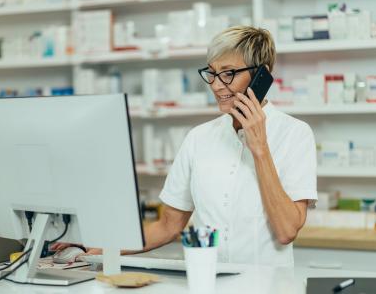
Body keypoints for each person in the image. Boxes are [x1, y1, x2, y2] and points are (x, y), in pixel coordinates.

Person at [53, 26, 318, 266]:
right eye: (212, 74)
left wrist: (259, 149)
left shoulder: (295, 134)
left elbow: (286, 231)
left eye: (228, 74)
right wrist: (96, 246)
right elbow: (168, 226)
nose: (216, 86)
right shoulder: (199, 138)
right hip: (206, 282)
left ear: (262, 76)